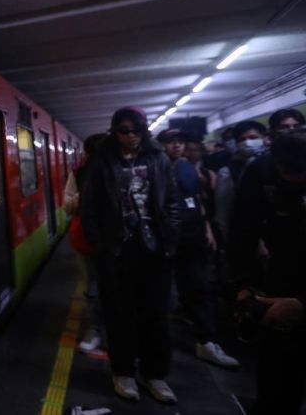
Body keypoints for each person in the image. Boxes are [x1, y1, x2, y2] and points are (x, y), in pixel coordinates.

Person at [81, 107, 181, 404]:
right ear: (115, 132)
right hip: (117, 250)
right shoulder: (102, 161)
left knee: (156, 315)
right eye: (124, 131)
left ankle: (155, 375)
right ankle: (123, 371)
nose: (131, 136)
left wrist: (171, 241)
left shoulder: (158, 158)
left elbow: (171, 201)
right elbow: (90, 207)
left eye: (136, 130)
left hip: (155, 248)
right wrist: (101, 245)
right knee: (120, 315)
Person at [229, 128, 306, 414]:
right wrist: (245, 284)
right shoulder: (261, 171)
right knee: (277, 371)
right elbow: (242, 232)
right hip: (281, 274)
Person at [157, 129, 238, 368]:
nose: (177, 146)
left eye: (180, 141)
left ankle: (206, 341)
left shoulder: (187, 168)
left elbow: (196, 200)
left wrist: (206, 228)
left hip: (192, 237)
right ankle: (155, 345)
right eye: (171, 142)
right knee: (159, 294)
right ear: (160, 145)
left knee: (200, 288)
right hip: (163, 241)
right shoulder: (151, 169)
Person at [63, 132, 106, 353]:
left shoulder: (125, 170)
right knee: (92, 287)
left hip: (121, 240)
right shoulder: (79, 174)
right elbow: (67, 204)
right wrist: (83, 195)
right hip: (87, 238)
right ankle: (96, 328)